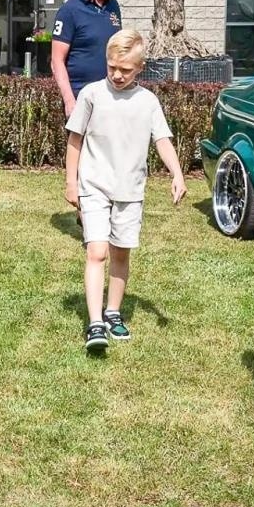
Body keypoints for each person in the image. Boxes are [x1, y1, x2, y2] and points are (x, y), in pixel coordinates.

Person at [64, 29, 186, 357]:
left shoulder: (148, 102)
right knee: (97, 252)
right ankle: (94, 323)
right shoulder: (91, 94)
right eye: (112, 67)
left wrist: (176, 173)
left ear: (140, 68)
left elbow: (162, 140)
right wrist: (71, 182)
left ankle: (113, 312)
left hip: (130, 191)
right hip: (94, 185)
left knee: (120, 253)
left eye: (126, 70)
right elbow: (74, 140)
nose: (117, 75)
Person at [51, 0, 125, 117]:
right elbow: (57, 60)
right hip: (82, 100)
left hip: (112, 97)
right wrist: (70, 101)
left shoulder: (113, 7)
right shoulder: (69, 11)